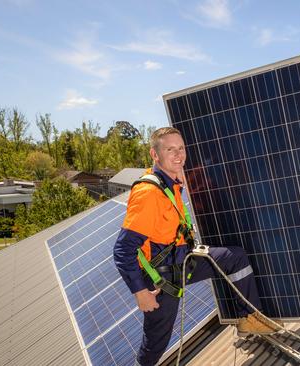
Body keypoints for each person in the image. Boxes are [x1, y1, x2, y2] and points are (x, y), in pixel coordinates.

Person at [113, 127, 280, 366]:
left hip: (183, 260)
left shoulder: (170, 182)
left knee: (235, 257)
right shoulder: (149, 193)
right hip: (162, 280)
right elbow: (123, 250)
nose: (178, 155)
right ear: (155, 154)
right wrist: (141, 293)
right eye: (170, 149)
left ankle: (249, 318)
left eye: (181, 148)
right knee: (157, 342)